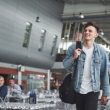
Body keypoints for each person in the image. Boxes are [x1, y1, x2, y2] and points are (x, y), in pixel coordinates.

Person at [63, 22, 110, 110]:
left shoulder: (101, 52)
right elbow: (66, 66)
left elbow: (104, 74)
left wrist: (106, 93)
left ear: (96, 34)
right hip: (77, 89)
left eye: (90, 31)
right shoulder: (74, 48)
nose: (87, 32)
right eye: (85, 30)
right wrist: (74, 57)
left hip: (93, 90)